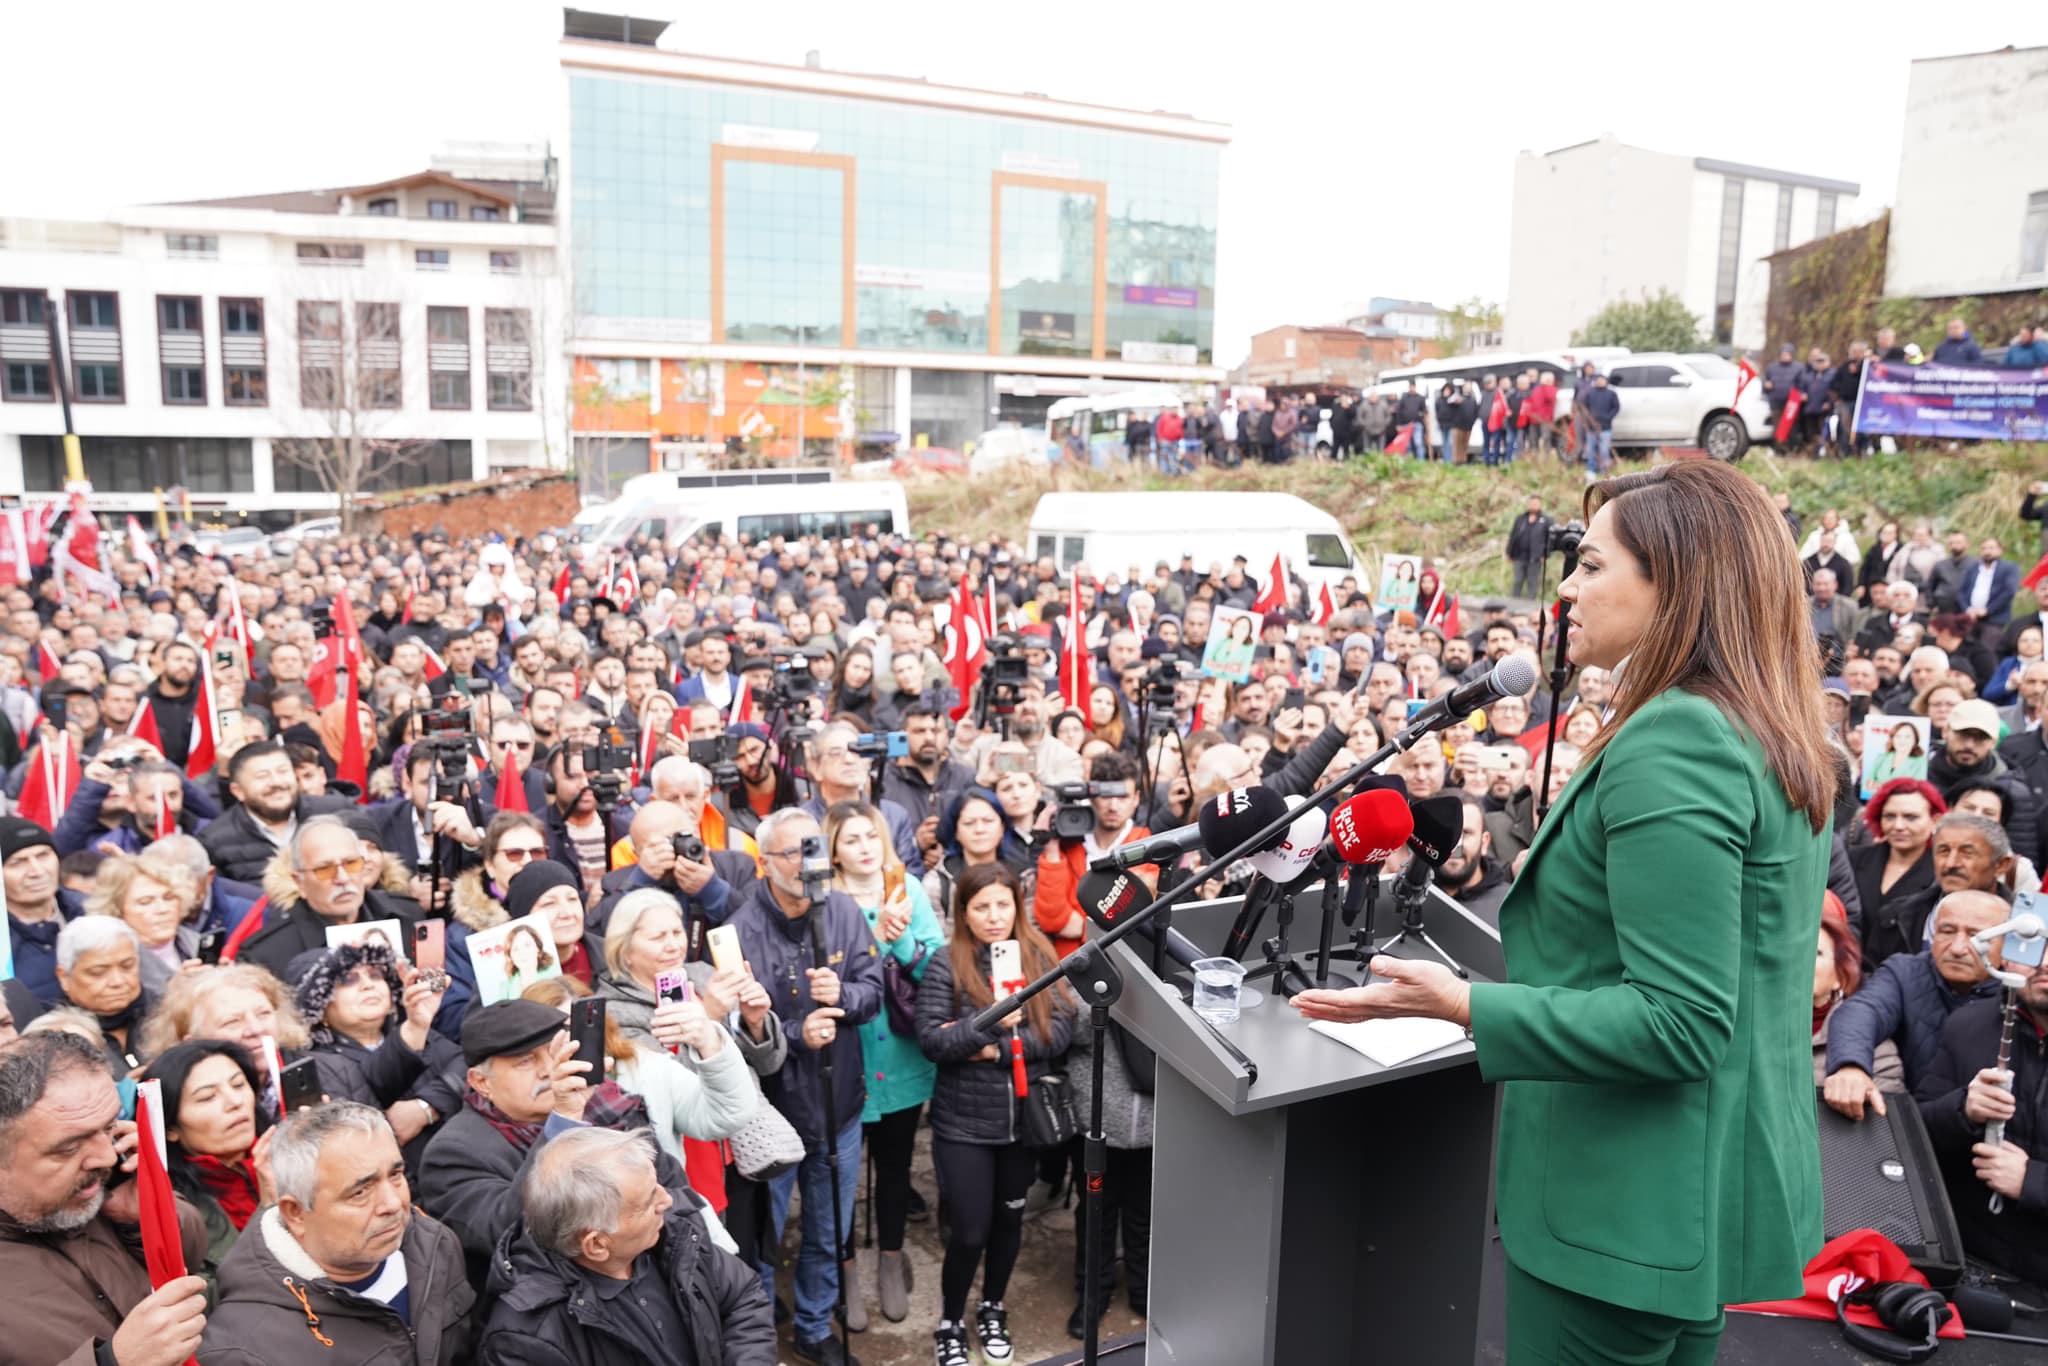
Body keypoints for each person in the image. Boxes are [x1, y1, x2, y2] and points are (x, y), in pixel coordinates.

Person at [1293, 461, 1836, 1359]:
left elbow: (1682, 1021)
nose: (1567, 591)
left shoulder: (1680, 739)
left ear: (1679, 585)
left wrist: (1463, 1004)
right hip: (1692, 1204)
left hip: (1621, 1211)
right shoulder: (1763, 729)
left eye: (1591, 566)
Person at [727, 808, 882, 1366]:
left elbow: (874, 992)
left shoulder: (841, 910)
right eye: (791, 852)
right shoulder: (739, 930)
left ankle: (815, 1325)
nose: (804, 862)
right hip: (770, 1112)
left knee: (828, 1229)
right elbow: (730, 1033)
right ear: (765, 862)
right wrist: (794, 1034)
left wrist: (843, 995)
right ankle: (759, 1328)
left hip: (838, 1105)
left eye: (811, 848)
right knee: (764, 1237)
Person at [418, 998, 712, 1289]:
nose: (548, 1070)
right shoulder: (453, 1152)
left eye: (553, 1053)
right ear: (481, 1082)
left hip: (660, 1283)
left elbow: (677, 1197)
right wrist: (564, 1121)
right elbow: (509, 1235)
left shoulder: (607, 1107)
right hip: (552, 1317)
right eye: (525, 1061)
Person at [916, 863, 1076, 1365]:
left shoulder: (1039, 955)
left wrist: (995, 1051)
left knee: (1009, 1224)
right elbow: (933, 1040)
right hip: (964, 1123)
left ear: (1017, 906)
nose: (993, 916)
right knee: (969, 1230)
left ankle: (993, 1306)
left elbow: (1061, 1030)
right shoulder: (946, 963)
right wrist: (989, 1025)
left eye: (1002, 904)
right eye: (981, 906)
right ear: (963, 911)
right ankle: (949, 1318)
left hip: (1022, 1123)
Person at [197, 1101, 476, 1366]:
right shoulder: (246, 1350)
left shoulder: (434, 1243)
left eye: (395, 1175)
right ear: (295, 1212)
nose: (393, 1204)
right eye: (360, 1192)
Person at [477, 1126, 776, 1366]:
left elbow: (742, 1296)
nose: (668, 1200)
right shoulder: (526, 1341)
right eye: (648, 1201)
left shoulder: (674, 1233)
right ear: (596, 1245)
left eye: (658, 1185)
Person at [0, 1031, 212, 1366]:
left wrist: (145, 1217)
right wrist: (112, 1362)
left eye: (109, 1127)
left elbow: (194, 1250)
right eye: (69, 1147)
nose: (107, 1157)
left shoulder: (104, 1187)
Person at [824, 800, 943, 1324]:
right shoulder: (823, 901)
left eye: (871, 837)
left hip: (899, 1056)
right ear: (833, 850)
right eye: (851, 839)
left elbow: (938, 969)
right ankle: (845, 1267)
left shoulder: (908, 890)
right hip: (845, 1059)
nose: (865, 848)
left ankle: (890, 1260)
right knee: (841, 1176)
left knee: (895, 1169)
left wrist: (905, 941)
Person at [1914, 926, 2048, 1288]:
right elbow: (1915, 1139)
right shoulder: (1968, 1025)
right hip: (1972, 1268)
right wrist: (1963, 1109)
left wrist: (2032, 1181)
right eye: (2036, 947)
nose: (2045, 963)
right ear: (2006, 955)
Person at [1823, 890, 2010, 1119]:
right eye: (1947, 931)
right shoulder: (1906, 973)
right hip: (1914, 1125)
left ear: (2007, 944)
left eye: (1977, 937)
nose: (1958, 948)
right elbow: (1862, 1010)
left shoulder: (2020, 993)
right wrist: (1850, 1066)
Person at [291, 938, 462, 1168]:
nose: (367, 985)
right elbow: (369, 1090)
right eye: (348, 979)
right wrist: (414, 1029)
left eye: (375, 974)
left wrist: (426, 1107)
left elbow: (468, 1064)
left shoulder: (415, 1030)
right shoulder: (317, 1063)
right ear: (319, 1006)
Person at [139, 1040, 277, 1289]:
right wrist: (267, 1211)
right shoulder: (173, 1210)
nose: (235, 1101)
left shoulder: (282, 1154)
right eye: (207, 1097)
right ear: (170, 1128)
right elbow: (212, 1300)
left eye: (238, 1084)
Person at [1849, 778, 1945, 968]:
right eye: (1890, 816)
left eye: (1911, 817)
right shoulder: (1856, 859)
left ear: (1935, 820)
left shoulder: (1941, 873)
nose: (1898, 825)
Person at [1811, 912, 1903, 1089]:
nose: (1800, 961)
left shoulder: (1873, 1047)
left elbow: (1883, 1112)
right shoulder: (1750, 1028)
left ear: (1840, 976)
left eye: (1816, 953)